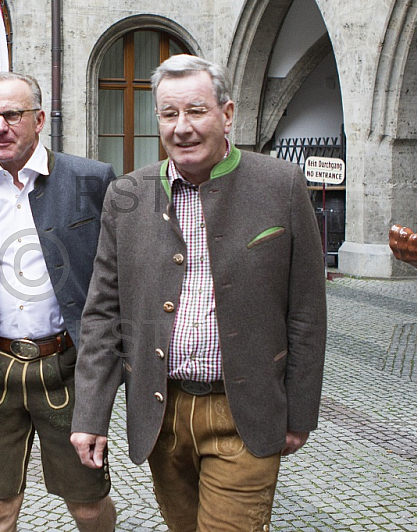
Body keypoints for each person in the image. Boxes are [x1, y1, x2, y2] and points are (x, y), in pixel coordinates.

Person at [71, 54, 327, 532]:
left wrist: (299, 411)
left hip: (244, 409)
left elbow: (307, 311)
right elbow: (103, 313)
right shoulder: (128, 195)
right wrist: (90, 414)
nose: (182, 127)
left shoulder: (281, 185)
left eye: (196, 111)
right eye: (169, 115)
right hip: (161, 412)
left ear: (227, 114)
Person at [0, 71, 117, 532]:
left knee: (88, 505)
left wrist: (119, 364)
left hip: (67, 369)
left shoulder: (91, 181)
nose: (0, 126)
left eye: (11, 115)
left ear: (38, 119)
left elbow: (118, 281)